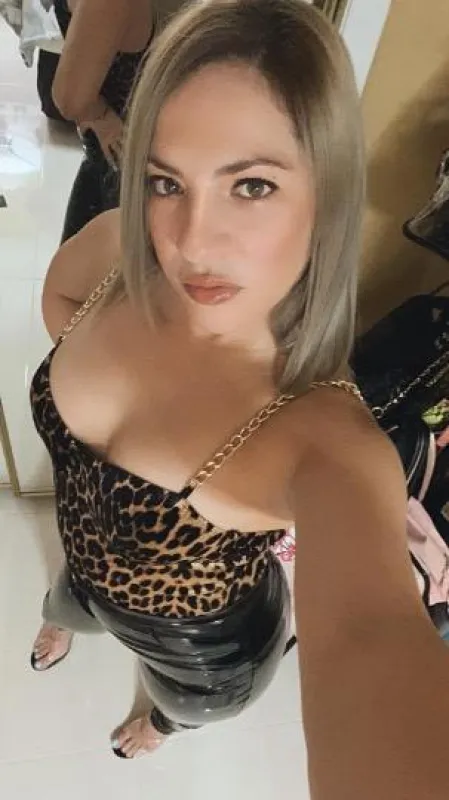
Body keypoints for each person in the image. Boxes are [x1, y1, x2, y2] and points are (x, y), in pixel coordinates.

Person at [28, 0, 449, 796]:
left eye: (251, 185)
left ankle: (161, 721)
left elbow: (369, 636)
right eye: (166, 181)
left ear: (325, 193)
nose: (190, 241)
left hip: (200, 647)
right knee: (68, 601)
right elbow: (59, 304)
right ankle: (65, 620)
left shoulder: (324, 438)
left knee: (180, 703)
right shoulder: (113, 257)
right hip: (81, 568)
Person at [51, 0, 185, 242]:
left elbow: (71, 97)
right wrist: (98, 115)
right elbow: (72, 98)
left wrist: (97, 115)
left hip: (131, 157)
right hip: (130, 155)